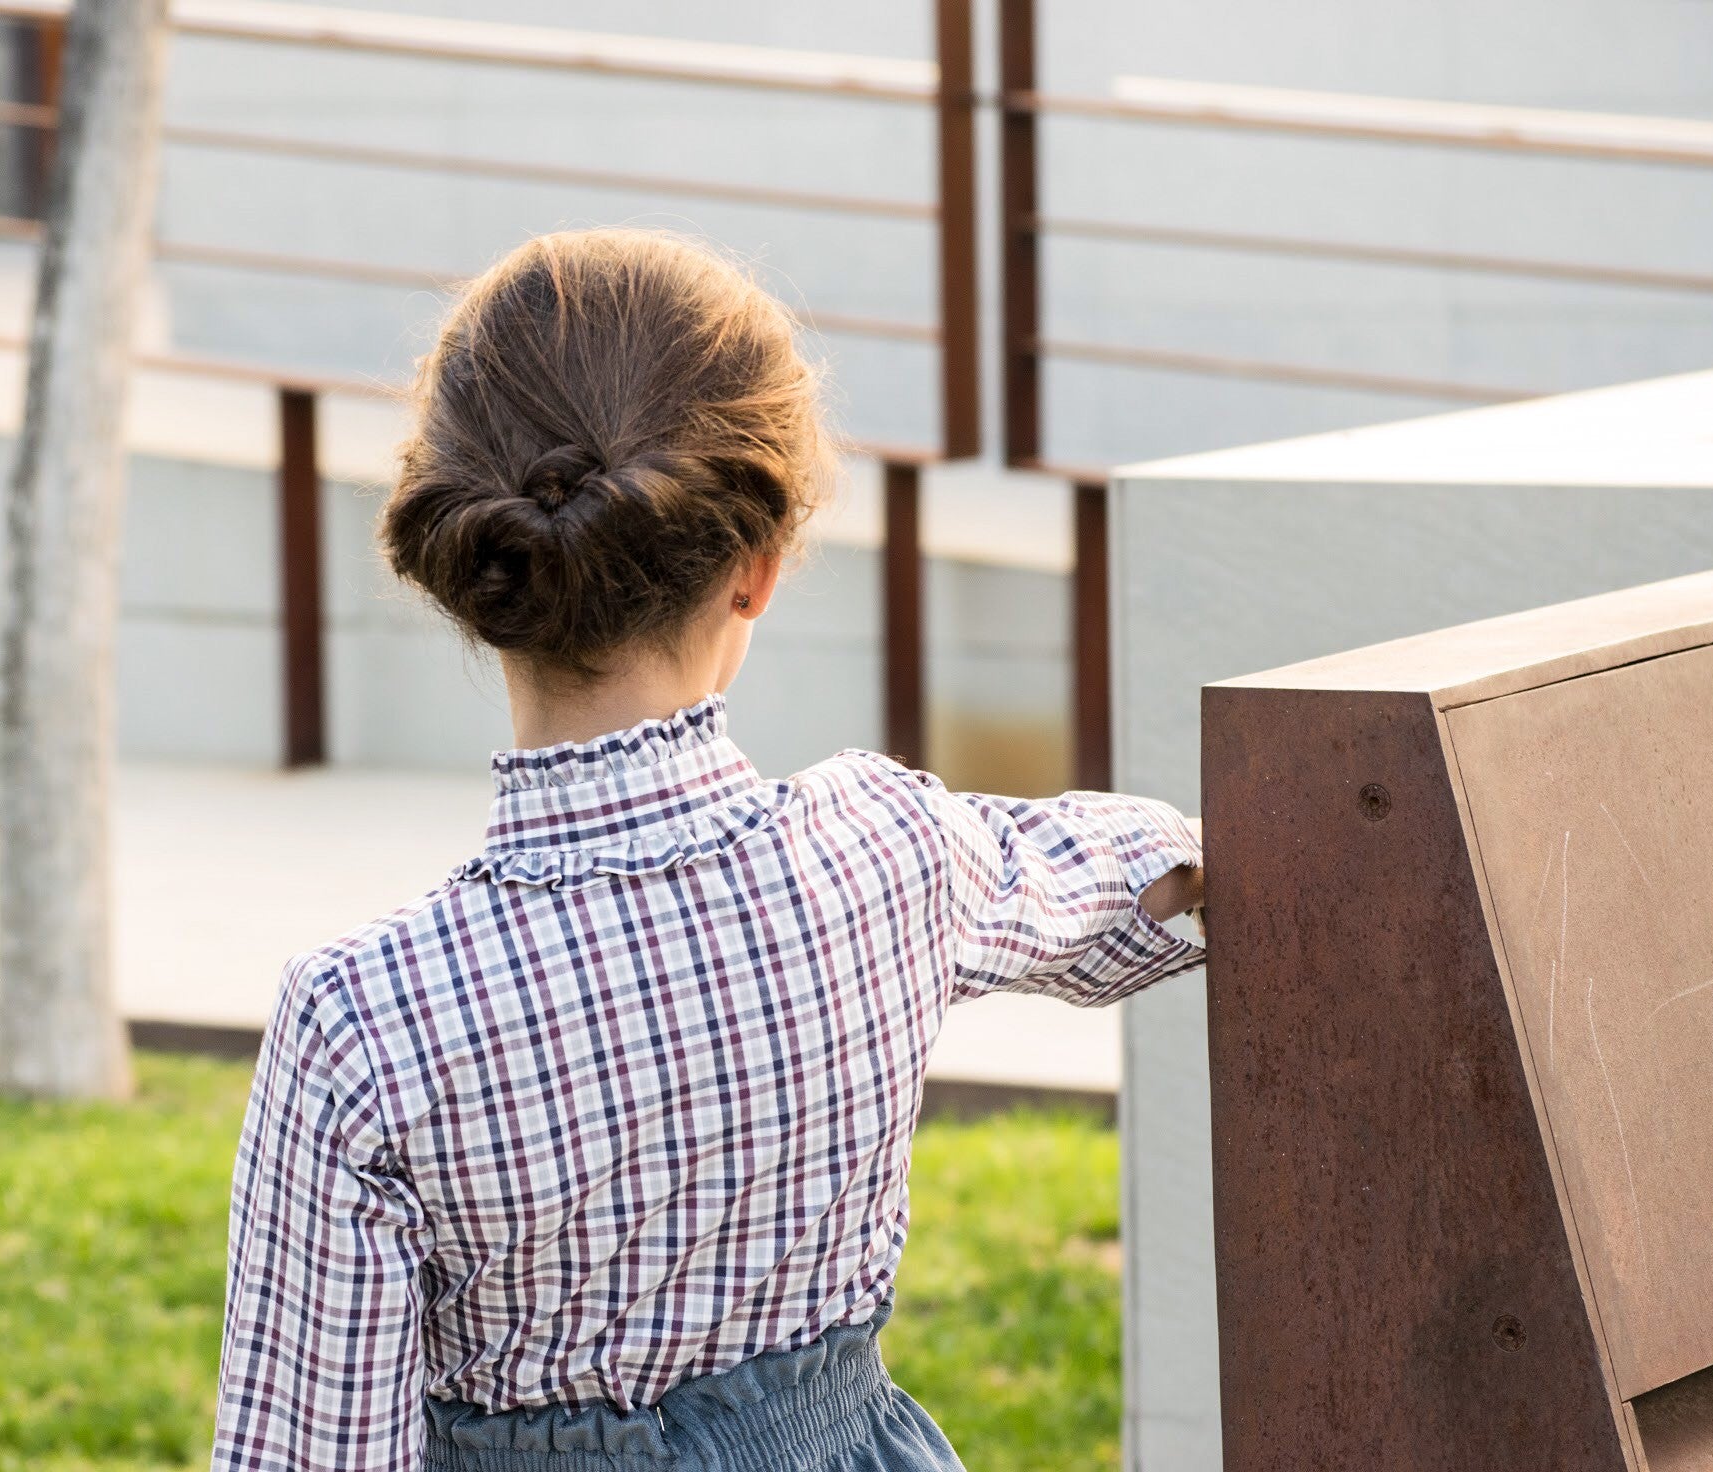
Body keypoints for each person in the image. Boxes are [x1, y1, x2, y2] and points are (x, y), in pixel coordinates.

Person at [209, 228, 1206, 1472]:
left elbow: (310, 1451)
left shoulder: (364, 1022)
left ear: (474, 565)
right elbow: (1114, 875)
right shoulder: (884, 848)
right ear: (757, 567)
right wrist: (1210, 845)